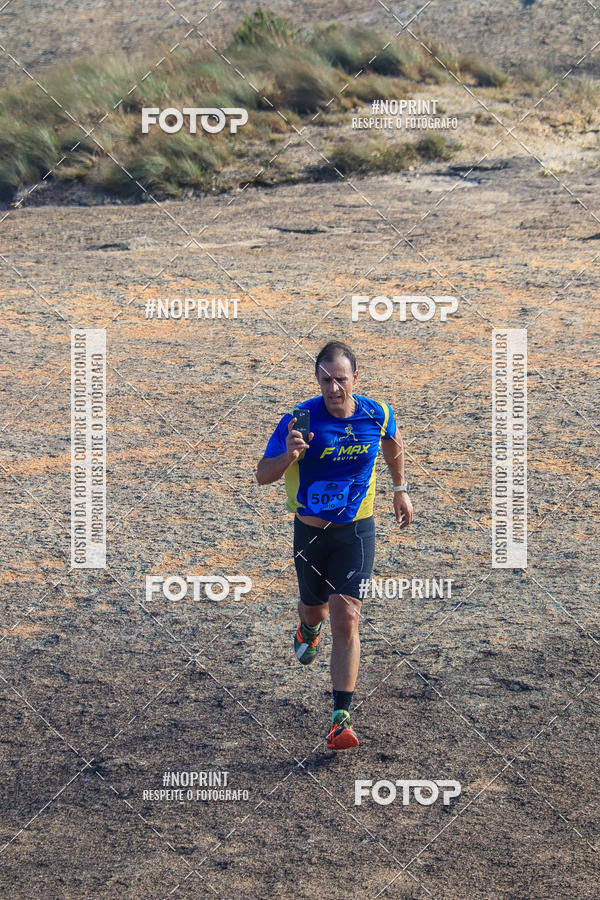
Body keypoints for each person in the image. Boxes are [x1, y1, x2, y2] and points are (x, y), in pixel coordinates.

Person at [256, 341, 413, 750]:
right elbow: (262, 474)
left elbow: (393, 441)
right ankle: (308, 626)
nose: (333, 388)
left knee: (346, 617)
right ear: (317, 379)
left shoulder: (376, 413)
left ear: (355, 378)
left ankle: (340, 718)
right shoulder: (297, 419)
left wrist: (400, 489)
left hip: (356, 531)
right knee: (316, 608)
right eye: (326, 380)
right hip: (310, 533)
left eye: (341, 379)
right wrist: (289, 456)